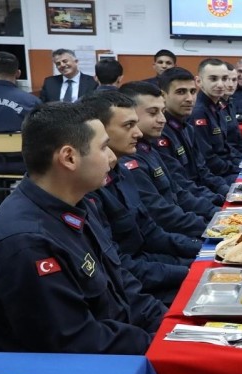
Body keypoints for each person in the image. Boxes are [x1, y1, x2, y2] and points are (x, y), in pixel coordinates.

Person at [0, 102, 167, 354]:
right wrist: (158, 344)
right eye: (104, 147)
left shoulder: (76, 204)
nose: (112, 158)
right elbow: (78, 343)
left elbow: (121, 284)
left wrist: (166, 323)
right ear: (69, 157)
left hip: (118, 341)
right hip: (88, 366)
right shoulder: (26, 245)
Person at [80, 90, 202, 304]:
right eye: (128, 126)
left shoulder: (123, 170)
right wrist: (188, 272)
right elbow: (120, 266)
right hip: (137, 286)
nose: (137, 133)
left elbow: (151, 233)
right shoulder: (89, 188)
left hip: (149, 268)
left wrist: (203, 249)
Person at [118, 81, 215, 238]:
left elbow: (179, 193)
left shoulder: (149, 149)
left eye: (162, 111)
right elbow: (161, 214)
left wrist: (216, 213)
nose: (162, 119)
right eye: (153, 113)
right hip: (170, 235)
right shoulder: (128, 161)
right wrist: (211, 227)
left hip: (182, 227)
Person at [157, 67, 230, 199]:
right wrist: (218, 200)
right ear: (163, 96)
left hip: (203, 193)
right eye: (181, 92)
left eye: (192, 91)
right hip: (190, 201)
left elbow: (202, 171)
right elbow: (180, 184)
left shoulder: (187, 128)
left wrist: (227, 191)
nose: (190, 99)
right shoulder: (159, 132)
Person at [190, 58, 242, 183]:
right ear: (199, 81)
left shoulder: (218, 106)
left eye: (224, 79)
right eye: (213, 79)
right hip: (214, 178)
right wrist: (239, 169)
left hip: (226, 168)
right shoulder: (198, 112)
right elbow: (208, 159)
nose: (220, 84)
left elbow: (226, 148)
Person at [221, 62, 242, 156]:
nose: (231, 85)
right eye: (226, 79)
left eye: (234, 80)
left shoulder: (230, 103)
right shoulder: (213, 107)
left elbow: (239, 138)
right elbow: (222, 146)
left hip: (235, 155)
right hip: (227, 158)